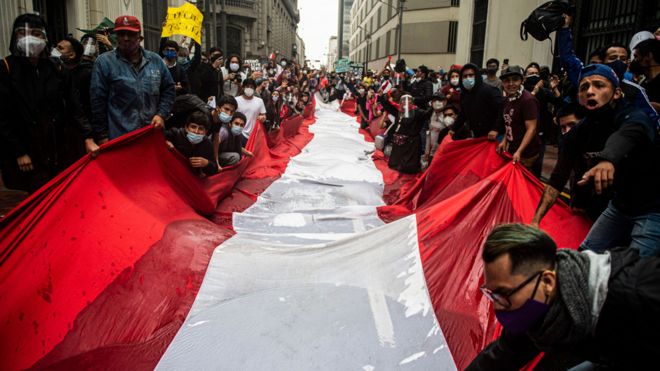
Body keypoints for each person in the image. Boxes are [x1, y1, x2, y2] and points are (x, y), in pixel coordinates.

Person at [467, 223, 660, 370]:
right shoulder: (535, 307)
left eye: (503, 294)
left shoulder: (640, 294)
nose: (497, 307)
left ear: (548, 282)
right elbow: (505, 353)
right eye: (492, 294)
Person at [531, 64, 659, 257]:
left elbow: (629, 133)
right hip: (619, 206)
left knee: (634, 272)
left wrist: (608, 160)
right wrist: (535, 221)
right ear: (580, 98)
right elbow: (558, 178)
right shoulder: (579, 132)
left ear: (616, 93)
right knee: (585, 258)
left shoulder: (634, 116)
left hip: (652, 209)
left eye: (599, 85)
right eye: (584, 87)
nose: (590, 91)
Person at [0, 13, 93, 193]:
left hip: (56, 149)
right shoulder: (6, 68)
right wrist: (19, 151)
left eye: (36, 33)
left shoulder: (57, 68)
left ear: (44, 37)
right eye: (23, 33)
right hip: (24, 153)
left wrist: (87, 137)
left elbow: (74, 107)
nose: (30, 39)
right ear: (15, 37)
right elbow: (3, 117)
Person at [90, 15, 175, 142]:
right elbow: (97, 102)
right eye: (121, 34)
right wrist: (102, 136)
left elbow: (169, 89)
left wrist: (161, 114)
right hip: (120, 139)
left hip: (150, 136)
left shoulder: (156, 61)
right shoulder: (104, 63)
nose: (125, 38)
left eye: (130, 34)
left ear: (139, 37)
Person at [496, 66, 542, 176]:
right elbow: (510, 123)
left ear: (522, 80)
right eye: (507, 81)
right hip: (514, 149)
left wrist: (519, 151)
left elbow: (531, 129)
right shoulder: (508, 99)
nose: (511, 84)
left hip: (526, 154)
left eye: (515, 80)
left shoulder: (528, 100)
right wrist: (504, 141)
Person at [379, 91, 432, 174]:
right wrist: (382, 97)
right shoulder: (398, 111)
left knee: (408, 166)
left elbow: (427, 114)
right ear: (400, 102)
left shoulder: (418, 112)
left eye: (408, 100)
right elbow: (387, 106)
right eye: (403, 100)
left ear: (412, 101)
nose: (406, 102)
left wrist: (433, 104)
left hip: (412, 142)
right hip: (398, 141)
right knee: (396, 161)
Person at [449, 63, 503, 140]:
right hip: (478, 135)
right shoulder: (464, 94)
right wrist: (453, 129)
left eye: (471, 75)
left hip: (495, 135)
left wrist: (496, 129)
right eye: (465, 76)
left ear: (477, 76)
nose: (468, 78)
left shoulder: (489, 91)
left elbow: (501, 111)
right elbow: (463, 114)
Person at [165, 110, 218, 177]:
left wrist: (206, 163)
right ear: (186, 127)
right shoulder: (175, 134)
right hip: (170, 172)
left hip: (190, 178)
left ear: (206, 132)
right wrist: (164, 142)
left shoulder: (207, 144)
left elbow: (214, 169)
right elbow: (157, 137)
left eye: (201, 129)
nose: (196, 131)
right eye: (193, 127)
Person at [235, 78, 267, 147]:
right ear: (243, 88)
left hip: (254, 135)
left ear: (254, 89)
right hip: (239, 133)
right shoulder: (236, 100)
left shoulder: (259, 101)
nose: (249, 89)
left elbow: (264, 115)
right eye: (247, 87)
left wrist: (263, 118)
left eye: (251, 87)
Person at [423, 94, 453, 161]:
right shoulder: (430, 114)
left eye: (439, 100)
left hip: (444, 149)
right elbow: (428, 133)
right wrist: (427, 149)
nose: (437, 102)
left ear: (445, 102)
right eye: (435, 100)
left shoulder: (448, 114)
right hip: (432, 150)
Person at [211, 95, 237, 164]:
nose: (229, 113)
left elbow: (215, 141)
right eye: (226, 109)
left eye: (232, 111)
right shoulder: (205, 118)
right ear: (217, 108)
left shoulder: (219, 121)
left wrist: (216, 162)